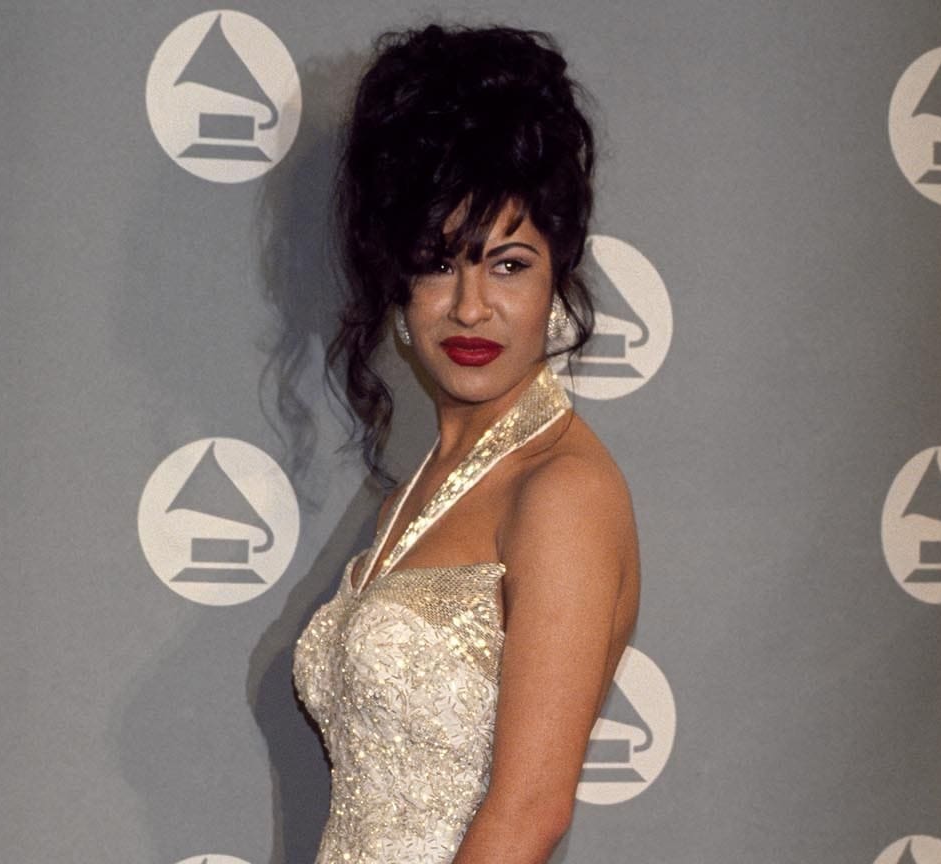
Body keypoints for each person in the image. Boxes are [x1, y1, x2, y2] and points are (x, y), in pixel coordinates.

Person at [292, 24, 641, 864]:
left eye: (509, 264)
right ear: (398, 280)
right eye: (439, 263)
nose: (471, 307)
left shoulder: (563, 490)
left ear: (558, 275)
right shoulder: (424, 488)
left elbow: (528, 814)